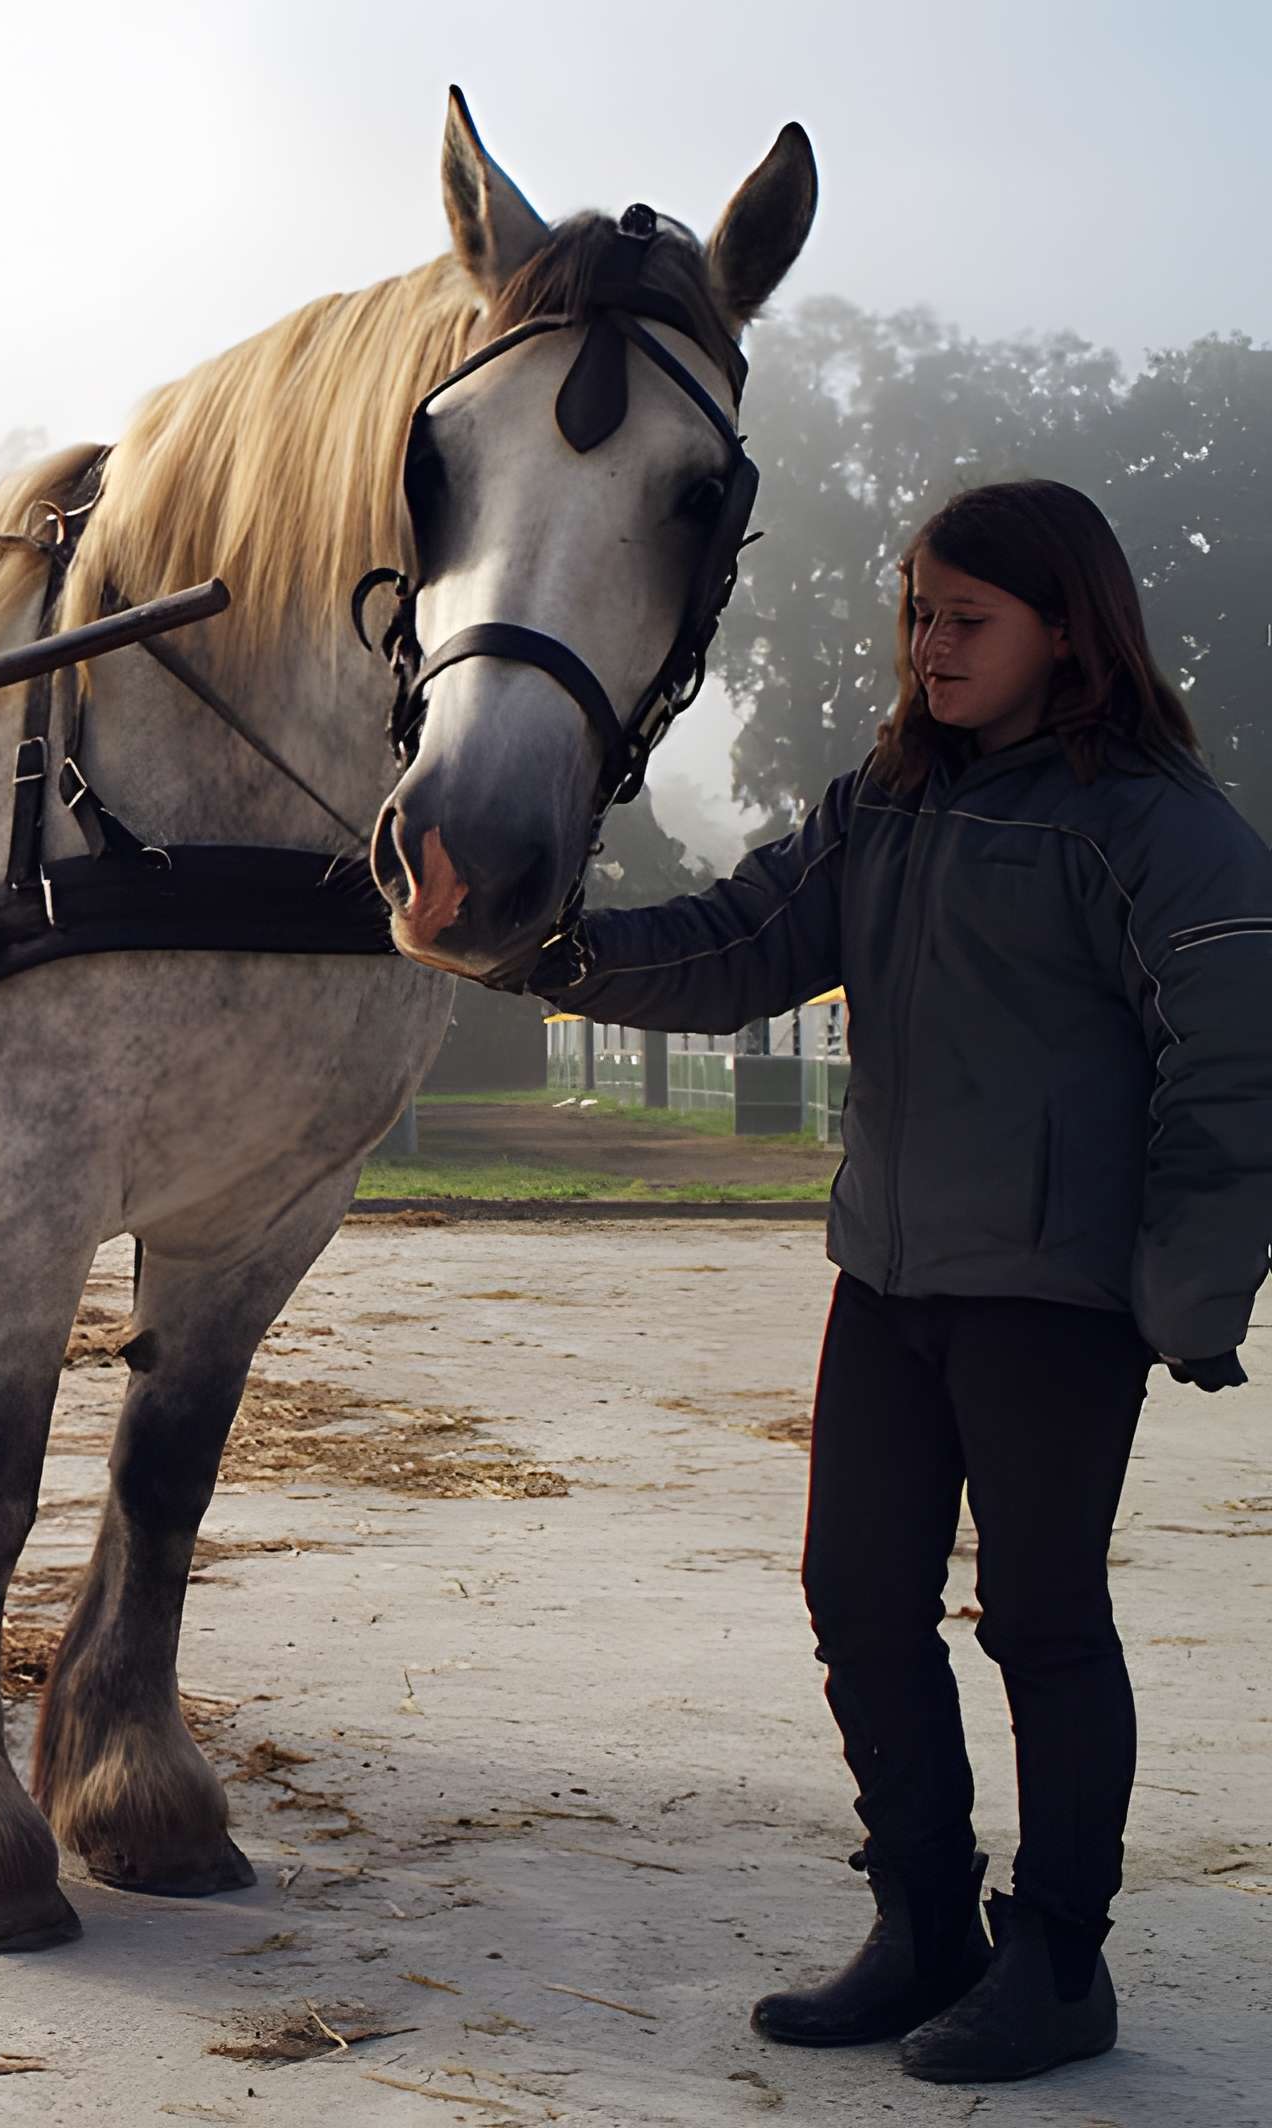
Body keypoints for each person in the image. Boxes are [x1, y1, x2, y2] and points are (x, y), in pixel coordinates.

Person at [515, 481, 1272, 2086]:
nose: (930, 645)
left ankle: (1059, 1964)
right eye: (917, 611)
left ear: (1068, 630)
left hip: (1055, 1302)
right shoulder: (888, 801)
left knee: (1045, 1624)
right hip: (890, 1275)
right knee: (858, 1598)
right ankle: (924, 1922)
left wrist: (1188, 1298)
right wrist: (553, 951)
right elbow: (738, 944)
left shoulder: (1156, 824)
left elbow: (1237, 1071)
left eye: (967, 618)